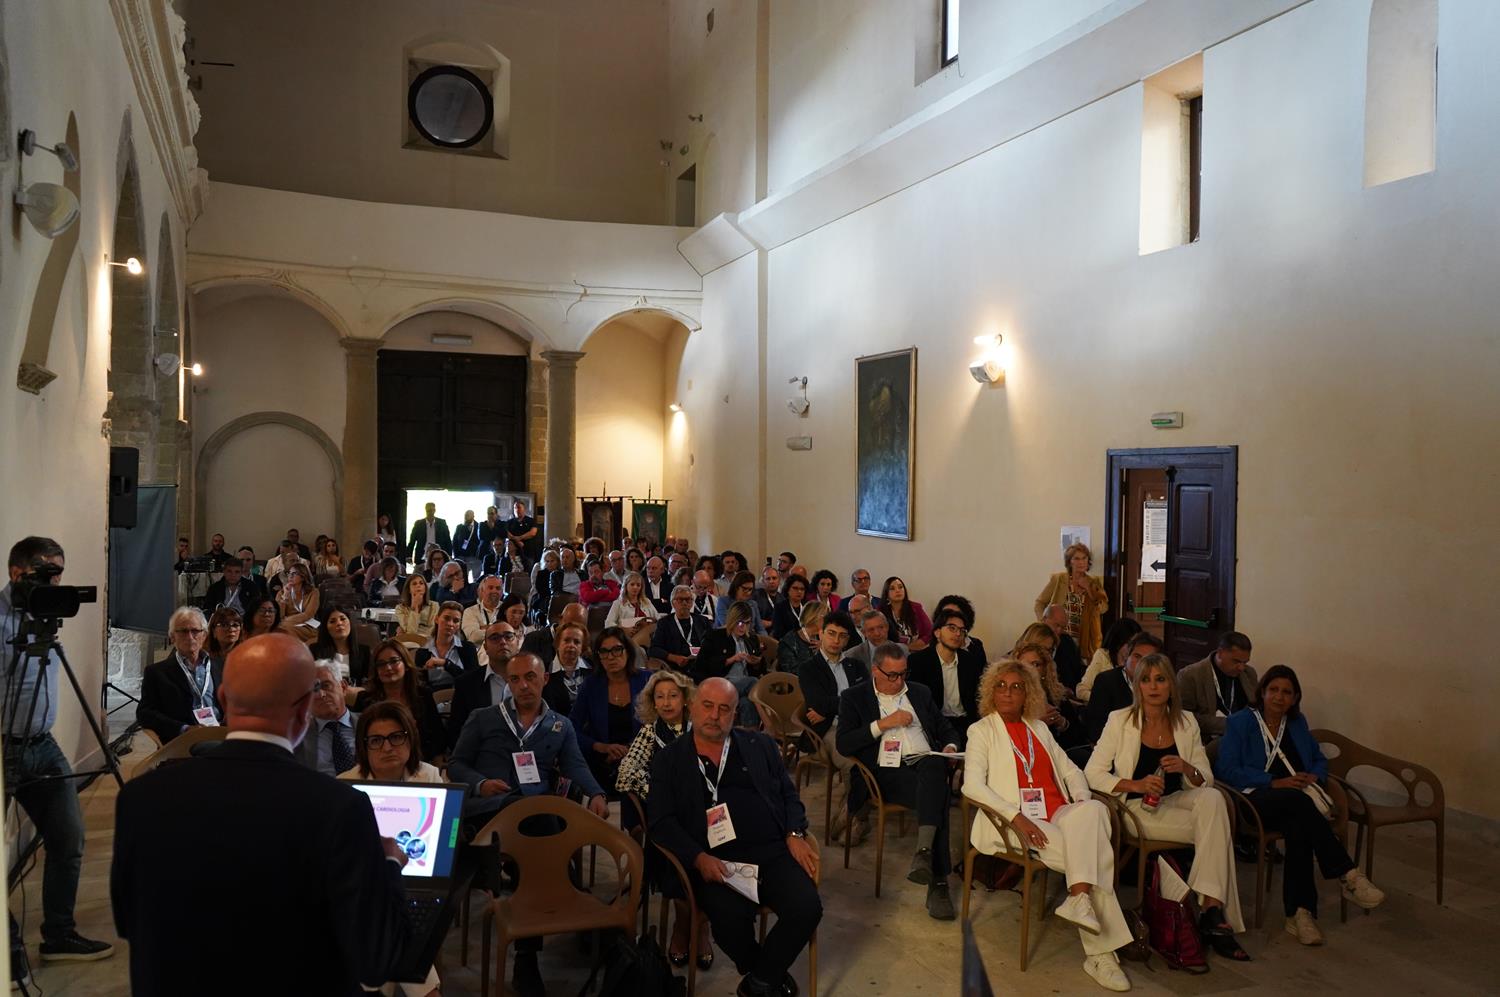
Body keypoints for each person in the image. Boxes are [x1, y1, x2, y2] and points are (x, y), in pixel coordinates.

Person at [111, 634, 412, 995]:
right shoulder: (340, 807)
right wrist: (389, 864)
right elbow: (377, 961)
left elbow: (128, 921)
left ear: (223, 699)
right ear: (304, 710)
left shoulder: (140, 798)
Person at [963, 659, 1134, 992]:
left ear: (1027, 693)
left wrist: (1080, 800)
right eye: (1001, 686)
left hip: (1058, 813)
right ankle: (1100, 954)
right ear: (991, 692)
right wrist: (1017, 817)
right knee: (1092, 854)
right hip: (1014, 823)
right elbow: (972, 786)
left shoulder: (1038, 729)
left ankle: (1080, 900)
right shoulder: (981, 731)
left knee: (1094, 811)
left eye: (1016, 687)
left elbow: (1071, 771)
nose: (1007, 693)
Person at [647, 677, 821, 997]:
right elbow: (661, 822)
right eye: (708, 706)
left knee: (807, 906)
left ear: (735, 714)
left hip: (771, 851)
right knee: (729, 921)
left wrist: (795, 832)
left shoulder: (760, 745)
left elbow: (788, 795)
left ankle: (759, 982)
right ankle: (766, 974)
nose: (715, 715)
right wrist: (698, 858)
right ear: (692, 707)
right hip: (715, 863)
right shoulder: (669, 759)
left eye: (724, 709)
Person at [1085, 653, 1249, 961]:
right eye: (1146, 680)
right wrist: (1136, 784)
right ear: (1137, 686)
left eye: (1160, 679)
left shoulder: (1186, 722)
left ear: (1171, 685)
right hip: (1135, 808)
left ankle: (1209, 906)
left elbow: (1205, 779)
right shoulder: (1120, 720)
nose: (1153, 687)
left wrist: (1186, 767)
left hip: (1177, 799)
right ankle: (1212, 913)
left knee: (1214, 800)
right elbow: (1092, 773)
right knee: (1217, 830)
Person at [2, 538, 114, 969]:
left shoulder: (46, 618)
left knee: (68, 836)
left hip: (43, 745)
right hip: (3, 746)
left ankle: (59, 935)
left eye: (59, 575)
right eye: (47, 574)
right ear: (18, 573)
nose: (54, 584)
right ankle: (8, 947)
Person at [1215, 665, 1384, 944]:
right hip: (1253, 800)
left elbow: (1318, 759)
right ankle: (1347, 873)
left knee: (1299, 826)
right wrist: (1273, 781)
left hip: (1295, 805)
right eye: (1273, 690)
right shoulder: (1241, 722)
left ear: (1294, 698)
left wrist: (1314, 775)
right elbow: (1226, 769)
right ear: (1262, 692)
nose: (1279, 697)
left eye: (1287, 692)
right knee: (1297, 803)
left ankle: (1299, 914)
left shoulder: (1296, 722)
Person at [836, 642, 960, 920]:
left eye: (903, 674)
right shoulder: (854, 697)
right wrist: (883, 724)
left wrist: (950, 746)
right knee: (938, 795)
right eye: (892, 675)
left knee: (934, 766)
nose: (899, 681)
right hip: (884, 771)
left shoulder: (919, 692)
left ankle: (924, 854)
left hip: (925, 763)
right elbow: (844, 743)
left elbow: (946, 728)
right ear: (875, 671)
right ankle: (938, 882)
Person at [613, 670, 712, 969]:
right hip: (667, 816)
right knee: (673, 851)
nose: (667, 703)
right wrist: (661, 792)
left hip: (704, 814)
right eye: (660, 697)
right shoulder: (649, 732)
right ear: (652, 703)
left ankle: (700, 926)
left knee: (713, 847)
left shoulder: (701, 729)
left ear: (685, 699)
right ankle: (685, 926)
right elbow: (625, 774)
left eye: (673, 696)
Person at [797, 611, 866, 839]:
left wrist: (831, 706)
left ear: (848, 639)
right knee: (853, 765)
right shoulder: (809, 668)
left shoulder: (856, 666)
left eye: (842, 636)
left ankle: (848, 814)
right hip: (829, 730)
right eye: (831, 634)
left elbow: (868, 698)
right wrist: (850, 703)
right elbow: (818, 702)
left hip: (857, 726)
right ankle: (856, 820)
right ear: (821, 633)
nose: (836, 640)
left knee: (876, 758)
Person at [573, 627, 651, 788]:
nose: (610, 657)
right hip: (602, 762)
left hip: (644, 759)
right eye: (604, 652)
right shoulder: (591, 685)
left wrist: (632, 750)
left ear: (628, 651)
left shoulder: (647, 680)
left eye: (617, 650)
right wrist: (600, 747)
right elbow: (572, 728)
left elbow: (660, 726)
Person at [138, 606, 224, 744]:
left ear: (204, 635)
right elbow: (145, 714)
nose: (190, 637)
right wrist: (184, 729)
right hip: (183, 740)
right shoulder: (157, 673)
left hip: (219, 733)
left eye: (195, 631)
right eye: (183, 631)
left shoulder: (220, 666)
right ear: (172, 637)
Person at [355, 641, 446, 763]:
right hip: (381, 762)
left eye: (394, 661)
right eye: (381, 664)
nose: (388, 668)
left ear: (406, 665)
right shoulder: (367, 700)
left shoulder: (423, 695)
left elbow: (438, 736)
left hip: (421, 761)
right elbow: (362, 743)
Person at [908, 606, 984, 747]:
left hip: (966, 723)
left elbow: (978, 698)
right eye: (952, 628)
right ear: (937, 632)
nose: (957, 634)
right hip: (935, 724)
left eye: (962, 630)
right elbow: (917, 703)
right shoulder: (918, 661)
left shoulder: (970, 661)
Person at [1177, 631, 1259, 750]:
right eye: (1236, 661)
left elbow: (1255, 707)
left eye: (1245, 662)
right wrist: (1230, 724)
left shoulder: (1249, 673)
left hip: (1245, 737)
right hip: (1207, 741)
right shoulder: (1190, 675)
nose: (1241, 667)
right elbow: (1184, 717)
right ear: (1220, 653)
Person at [448, 621, 522, 749]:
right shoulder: (466, 683)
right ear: (485, 647)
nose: (503, 642)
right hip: (482, 753)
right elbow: (456, 732)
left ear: (517, 643)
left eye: (508, 636)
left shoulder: (532, 679)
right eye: (495, 638)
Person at [1083, 632, 1165, 743]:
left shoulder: (1161, 686)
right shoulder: (1106, 681)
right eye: (1137, 656)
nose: (1141, 663)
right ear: (1127, 657)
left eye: (1148, 660)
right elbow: (1095, 730)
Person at [1035, 542, 1109, 661]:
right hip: (1060, 635)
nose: (1081, 562)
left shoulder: (1093, 582)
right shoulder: (1059, 579)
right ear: (1070, 562)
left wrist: (1089, 589)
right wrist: (1044, 624)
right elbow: (1039, 603)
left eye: (1084, 558)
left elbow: (1103, 608)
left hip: (1084, 637)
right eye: (1077, 559)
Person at [693, 601, 765, 723]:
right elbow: (702, 666)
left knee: (747, 703)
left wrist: (756, 663)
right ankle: (769, 723)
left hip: (743, 685)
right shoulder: (715, 636)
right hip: (721, 684)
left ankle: (751, 734)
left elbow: (760, 670)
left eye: (747, 623)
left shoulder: (751, 639)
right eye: (740, 623)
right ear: (732, 620)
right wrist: (731, 660)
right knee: (753, 682)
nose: (743, 627)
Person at [341, 700, 444, 784]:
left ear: (411, 739)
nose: (387, 748)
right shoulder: (345, 785)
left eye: (396, 737)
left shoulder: (430, 776)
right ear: (363, 747)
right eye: (376, 740)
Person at [1013, 641, 1085, 750]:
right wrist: (1036, 724)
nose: (1030, 670)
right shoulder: (1008, 697)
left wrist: (1061, 723)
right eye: (1024, 665)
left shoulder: (1056, 695)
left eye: (1036, 664)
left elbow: (1078, 737)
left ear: (1044, 670)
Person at [294, 663, 359, 776]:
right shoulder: (296, 734)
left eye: (326, 686)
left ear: (343, 687)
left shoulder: (371, 723)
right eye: (313, 690)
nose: (320, 695)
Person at [414, 601, 480, 688]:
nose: (450, 624)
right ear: (436, 619)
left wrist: (446, 664)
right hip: (433, 695)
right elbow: (419, 685)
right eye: (446, 618)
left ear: (459, 625)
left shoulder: (468, 648)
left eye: (456, 621)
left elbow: (474, 680)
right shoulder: (422, 652)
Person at [1078, 618, 1142, 703]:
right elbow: (1081, 690)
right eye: (1130, 644)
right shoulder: (1103, 655)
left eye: (1137, 644)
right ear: (1118, 642)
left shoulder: (1139, 661)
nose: (1133, 648)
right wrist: (1105, 700)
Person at [309, 604, 373, 687]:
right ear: (326, 628)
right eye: (332, 621)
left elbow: (369, 684)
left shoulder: (364, 651)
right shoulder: (315, 650)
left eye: (343, 619)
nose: (339, 623)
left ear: (350, 622)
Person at [649, 585, 709, 670]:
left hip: (701, 663)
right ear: (673, 603)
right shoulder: (664, 623)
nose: (684, 603)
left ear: (692, 602)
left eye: (688, 599)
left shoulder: (702, 621)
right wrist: (673, 658)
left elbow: (713, 643)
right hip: (676, 665)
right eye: (680, 599)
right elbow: (653, 649)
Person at [541, 619, 591, 716]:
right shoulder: (544, 671)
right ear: (557, 644)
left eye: (576, 642)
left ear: (582, 647)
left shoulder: (592, 669)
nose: (571, 645)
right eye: (566, 640)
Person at [521, 601, 587, 663]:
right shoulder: (534, 639)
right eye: (569, 625)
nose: (574, 631)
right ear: (560, 619)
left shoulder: (583, 646)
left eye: (579, 628)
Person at [1042, 603, 1087, 692]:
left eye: (1063, 627)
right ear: (1044, 620)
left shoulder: (1067, 642)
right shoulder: (1032, 637)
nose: (1059, 631)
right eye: (1056, 625)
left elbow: (1077, 672)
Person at [880, 576, 933, 648]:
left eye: (900, 587)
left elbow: (929, 632)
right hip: (890, 651)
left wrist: (909, 647)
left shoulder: (916, 607)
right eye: (892, 588)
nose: (897, 590)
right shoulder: (881, 611)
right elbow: (878, 637)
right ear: (886, 594)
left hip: (916, 650)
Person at [775, 602, 826, 676]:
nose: (829, 621)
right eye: (826, 617)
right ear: (814, 618)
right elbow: (793, 672)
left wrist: (825, 649)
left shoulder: (822, 638)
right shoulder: (788, 642)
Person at [605, 569, 660, 638]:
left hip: (647, 636)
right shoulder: (618, 603)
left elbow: (658, 618)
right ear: (626, 586)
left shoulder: (646, 601)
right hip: (627, 637)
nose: (635, 587)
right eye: (632, 584)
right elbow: (608, 624)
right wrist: (622, 629)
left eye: (638, 585)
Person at [276, 562, 321, 641]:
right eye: (289, 573)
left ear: (303, 577)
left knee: (284, 629)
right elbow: (279, 616)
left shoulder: (313, 592)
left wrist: (286, 621)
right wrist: (285, 596)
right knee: (285, 630)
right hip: (287, 625)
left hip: (308, 625)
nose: (290, 576)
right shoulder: (281, 593)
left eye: (294, 573)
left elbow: (308, 614)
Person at [463, 575, 506, 643]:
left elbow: (514, 632)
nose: (494, 591)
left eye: (498, 588)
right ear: (482, 590)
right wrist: (502, 630)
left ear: (502, 592)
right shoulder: (470, 611)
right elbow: (473, 637)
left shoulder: (507, 609)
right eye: (490, 588)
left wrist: (485, 628)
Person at [396, 574, 438, 639]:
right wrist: (415, 607)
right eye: (414, 584)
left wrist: (405, 631)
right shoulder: (400, 608)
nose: (418, 585)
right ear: (409, 590)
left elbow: (431, 630)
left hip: (428, 641)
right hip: (409, 641)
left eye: (421, 583)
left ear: (425, 588)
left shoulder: (434, 606)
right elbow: (411, 632)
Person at [770, 573, 809, 639]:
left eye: (802, 589)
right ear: (788, 590)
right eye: (795, 588)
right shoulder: (780, 608)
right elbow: (778, 633)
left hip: (807, 640)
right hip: (787, 642)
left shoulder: (808, 606)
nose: (799, 591)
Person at [452, 509, 485, 579]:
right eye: (465, 515)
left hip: (474, 557)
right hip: (461, 556)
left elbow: (481, 541)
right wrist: (456, 556)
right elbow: (455, 542)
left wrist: (478, 554)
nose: (466, 517)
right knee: (462, 577)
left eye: (468, 515)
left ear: (473, 516)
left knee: (476, 578)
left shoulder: (479, 526)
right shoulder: (460, 527)